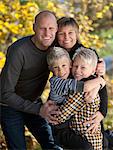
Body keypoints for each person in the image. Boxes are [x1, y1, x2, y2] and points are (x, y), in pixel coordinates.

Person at [0, 10, 62, 150]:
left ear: (56, 29)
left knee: (53, 144)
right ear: (34, 28)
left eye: (51, 28)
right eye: (42, 28)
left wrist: (98, 70)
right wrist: (39, 109)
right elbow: (4, 93)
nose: (47, 33)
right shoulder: (18, 50)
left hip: (33, 102)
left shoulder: (56, 46)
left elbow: (80, 53)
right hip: (9, 106)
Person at [54, 17, 108, 149]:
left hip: (86, 111)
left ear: (77, 34)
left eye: (71, 33)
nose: (66, 37)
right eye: (61, 33)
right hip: (64, 115)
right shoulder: (55, 54)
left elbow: (102, 85)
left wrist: (102, 113)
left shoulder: (88, 54)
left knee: (102, 143)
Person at [47, 46, 106, 149]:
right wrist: (101, 81)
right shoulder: (60, 81)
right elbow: (85, 87)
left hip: (76, 127)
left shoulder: (82, 86)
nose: (77, 71)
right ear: (72, 65)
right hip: (61, 124)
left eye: (82, 67)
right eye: (76, 66)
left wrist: (100, 82)